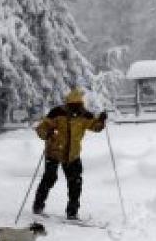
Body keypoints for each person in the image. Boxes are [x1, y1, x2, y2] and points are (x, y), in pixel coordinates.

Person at [33, 88, 107, 220]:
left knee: (75, 182)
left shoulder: (84, 115)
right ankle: (38, 205)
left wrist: (101, 121)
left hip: (73, 154)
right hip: (54, 151)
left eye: (78, 105)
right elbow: (41, 128)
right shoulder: (57, 112)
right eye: (72, 105)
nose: (75, 108)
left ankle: (72, 212)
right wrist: (46, 133)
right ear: (67, 104)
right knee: (49, 178)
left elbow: (95, 127)